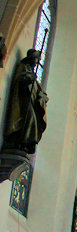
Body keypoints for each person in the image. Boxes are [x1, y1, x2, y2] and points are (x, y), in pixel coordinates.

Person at [1, 49, 48, 181]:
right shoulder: (23, 67)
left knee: (32, 123)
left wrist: (42, 96)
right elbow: (20, 80)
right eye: (35, 60)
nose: (36, 63)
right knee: (30, 121)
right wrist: (28, 79)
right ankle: (18, 142)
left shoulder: (30, 71)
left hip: (28, 103)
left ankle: (24, 145)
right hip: (22, 105)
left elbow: (36, 89)